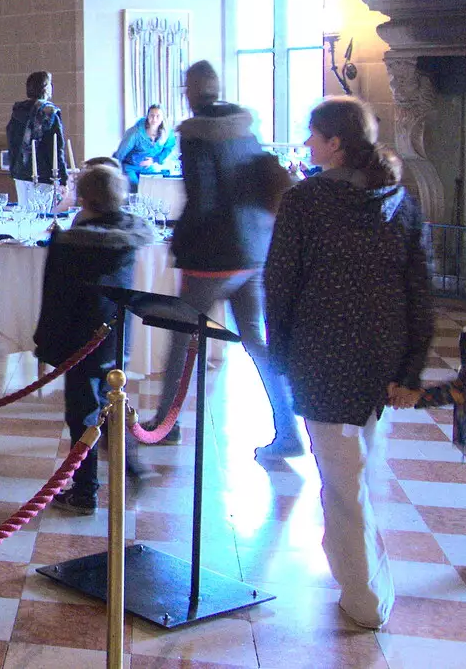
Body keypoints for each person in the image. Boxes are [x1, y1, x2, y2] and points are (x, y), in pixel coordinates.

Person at [265, 96, 434, 630]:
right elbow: (420, 292)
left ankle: (364, 600)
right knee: (353, 472)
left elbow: (280, 283)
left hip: (324, 357)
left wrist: (282, 354)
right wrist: (409, 368)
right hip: (378, 357)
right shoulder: (398, 199)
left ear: (336, 143)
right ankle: (357, 573)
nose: (308, 144)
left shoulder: (307, 201)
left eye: (314, 135)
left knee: (344, 483)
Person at [149, 61, 302, 460]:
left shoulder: (195, 136)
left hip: (210, 255)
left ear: (190, 91)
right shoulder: (243, 128)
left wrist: (179, 240)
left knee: (181, 340)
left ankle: (166, 424)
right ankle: (287, 428)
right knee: (256, 341)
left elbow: (203, 196)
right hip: (252, 251)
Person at [34, 161, 155, 513]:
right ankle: (133, 467)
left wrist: (48, 344)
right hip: (115, 340)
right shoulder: (126, 239)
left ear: (85, 198)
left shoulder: (74, 244)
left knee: (82, 415)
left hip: (81, 341)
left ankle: (85, 490)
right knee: (110, 407)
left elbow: (57, 297)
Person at [7, 70, 70, 206]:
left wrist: (14, 169)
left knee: (25, 213)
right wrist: (63, 178)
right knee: (42, 215)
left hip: (20, 171)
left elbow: (12, 141)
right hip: (43, 173)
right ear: (45, 88)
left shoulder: (19, 110)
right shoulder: (49, 111)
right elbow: (55, 147)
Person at [115, 104, 177, 189]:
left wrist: (155, 159)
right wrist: (115, 168)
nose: (154, 119)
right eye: (152, 115)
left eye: (158, 116)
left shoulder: (167, 133)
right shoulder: (135, 132)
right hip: (130, 167)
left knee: (154, 186)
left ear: (162, 118)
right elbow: (121, 152)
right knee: (134, 186)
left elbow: (169, 148)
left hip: (148, 167)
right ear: (147, 116)